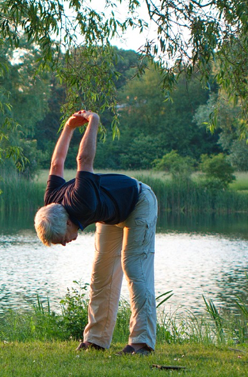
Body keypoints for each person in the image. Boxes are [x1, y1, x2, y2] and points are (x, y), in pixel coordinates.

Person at [34, 110, 158, 355]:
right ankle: (96, 340)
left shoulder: (82, 201)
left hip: (139, 201)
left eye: (62, 240)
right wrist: (68, 128)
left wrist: (93, 122)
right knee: (101, 274)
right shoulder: (51, 201)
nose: (65, 244)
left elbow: (84, 160)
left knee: (134, 267)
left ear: (68, 223)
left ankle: (142, 343)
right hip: (111, 213)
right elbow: (56, 163)